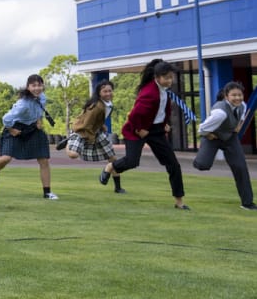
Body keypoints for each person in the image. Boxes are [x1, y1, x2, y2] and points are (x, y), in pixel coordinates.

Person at [102, 58, 188, 210]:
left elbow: (161, 110)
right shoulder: (149, 92)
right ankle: (110, 166)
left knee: (173, 164)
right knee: (132, 162)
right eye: (166, 77)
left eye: (171, 77)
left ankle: (179, 201)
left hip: (156, 131)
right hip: (137, 129)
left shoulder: (163, 91)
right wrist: (139, 129)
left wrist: (164, 123)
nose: (170, 80)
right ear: (157, 77)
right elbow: (134, 115)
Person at [0, 74, 58, 200]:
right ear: (28, 87)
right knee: (6, 158)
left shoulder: (42, 97)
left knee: (44, 160)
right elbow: (6, 118)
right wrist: (12, 129)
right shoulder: (23, 104)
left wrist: (39, 120)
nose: (37, 88)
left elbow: (39, 110)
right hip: (15, 127)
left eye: (39, 85)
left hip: (33, 128)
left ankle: (47, 192)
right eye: (33, 85)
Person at [193, 82, 256, 210]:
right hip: (213, 137)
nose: (237, 98)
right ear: (226, 96)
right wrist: (208, 134)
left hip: (230, 138)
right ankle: (199, 161)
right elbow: (202, 128)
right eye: (234, 95)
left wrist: (237, 127)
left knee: (241, 167)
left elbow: (241, 118)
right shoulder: (220, 112)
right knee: (203, 165)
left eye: (240, 95)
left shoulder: (243, 105)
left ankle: (247, 203)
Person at [63, 80, 124, 194]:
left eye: (110, 91)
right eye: (105, 91)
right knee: (73, 155)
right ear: (99, 93)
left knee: (112, 158)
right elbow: (87, 124)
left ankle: (118, 187)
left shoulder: (109, 104)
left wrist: (102, 125)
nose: (108, 93)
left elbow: (99, 118)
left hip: (96, 130)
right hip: (82, 131)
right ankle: (68, 142)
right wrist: (91, 139)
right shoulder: (96, 106)